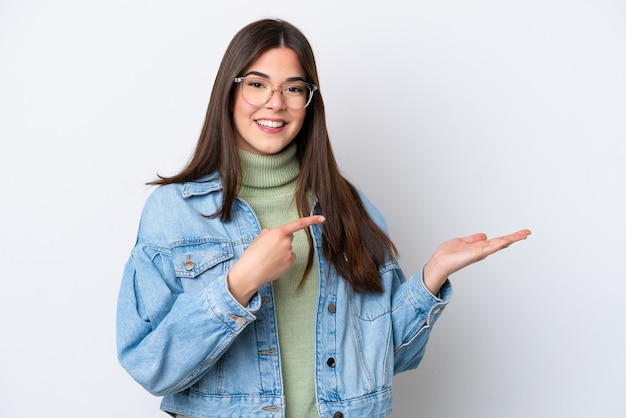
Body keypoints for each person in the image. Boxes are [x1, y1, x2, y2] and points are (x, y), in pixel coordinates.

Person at [115, 18, 531, 418]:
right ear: (229, 91)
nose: (275, 103)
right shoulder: (174, 212)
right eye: (257, 84)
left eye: (293, 88)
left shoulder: (350, 207)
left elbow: (384, 360)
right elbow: (150, 366)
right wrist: (238, 285)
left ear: (309, 101)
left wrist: (431, 277)